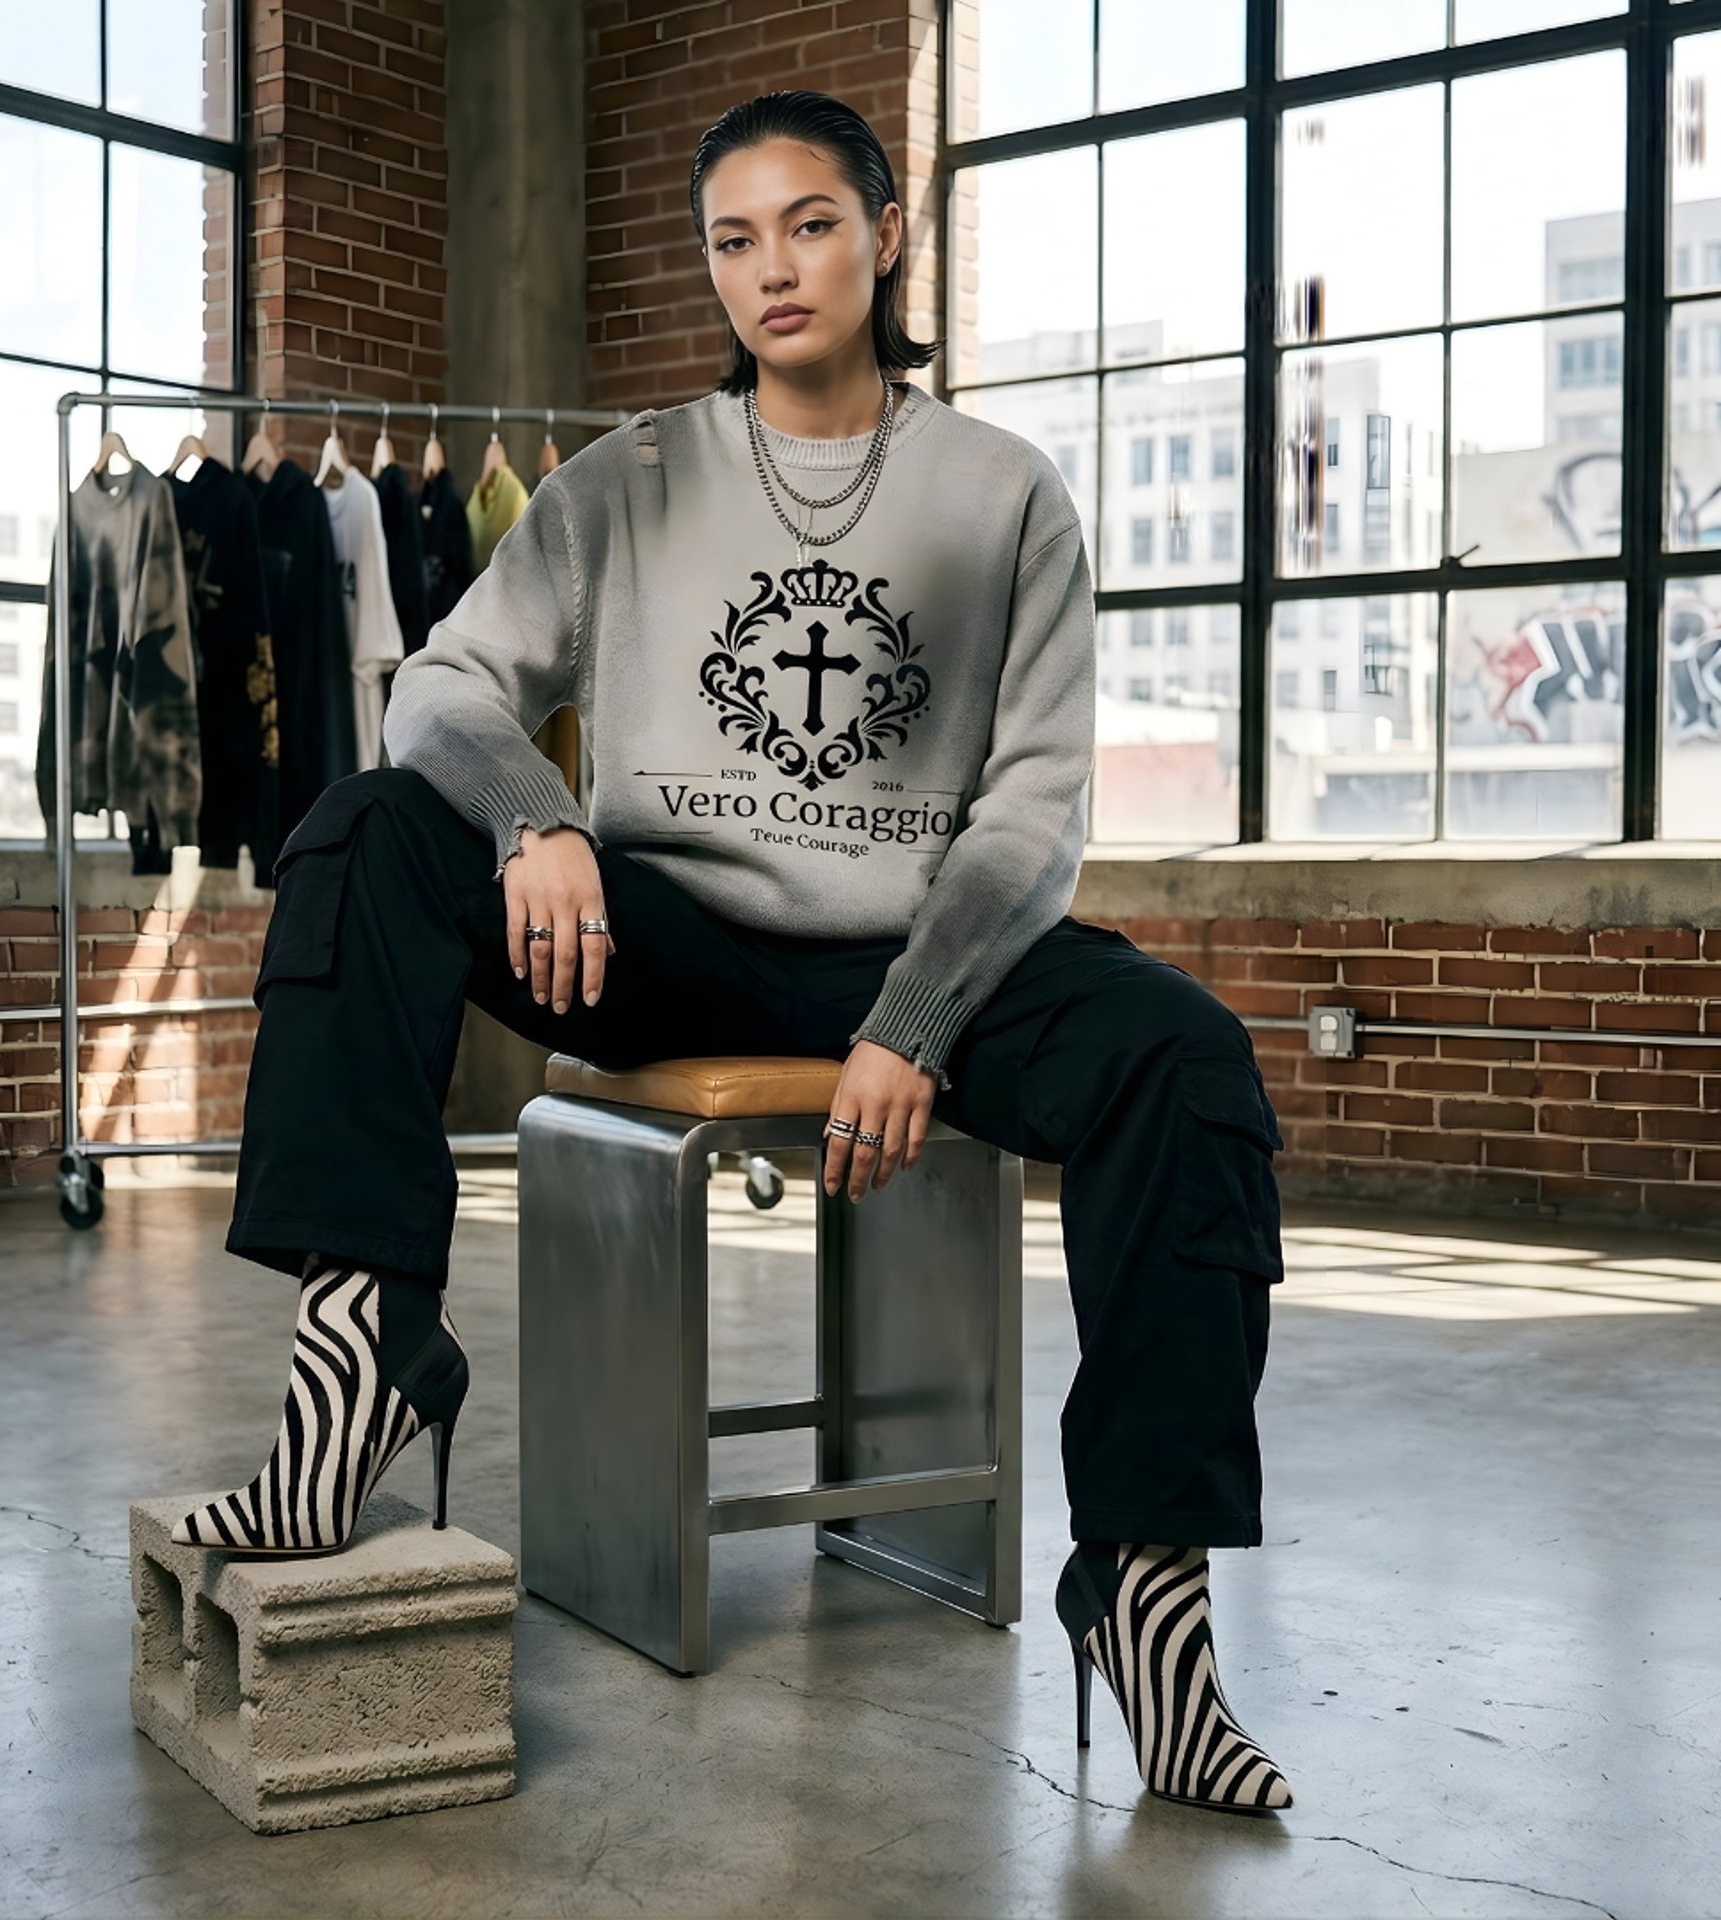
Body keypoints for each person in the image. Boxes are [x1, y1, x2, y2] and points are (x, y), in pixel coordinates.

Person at [174, 88, 1294, 1817]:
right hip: (665, 936)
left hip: (927, 948)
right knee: (362, 832)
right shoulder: (626, 483)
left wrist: (916, 1017)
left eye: (812, 224)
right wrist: (535, 822)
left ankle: (1148, 1595)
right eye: (734, 238)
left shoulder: (1006, 495)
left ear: (887, 235)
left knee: (1188, 1059)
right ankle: (363, 1352)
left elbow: (1031, 811)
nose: (773, 268)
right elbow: (442, 692)